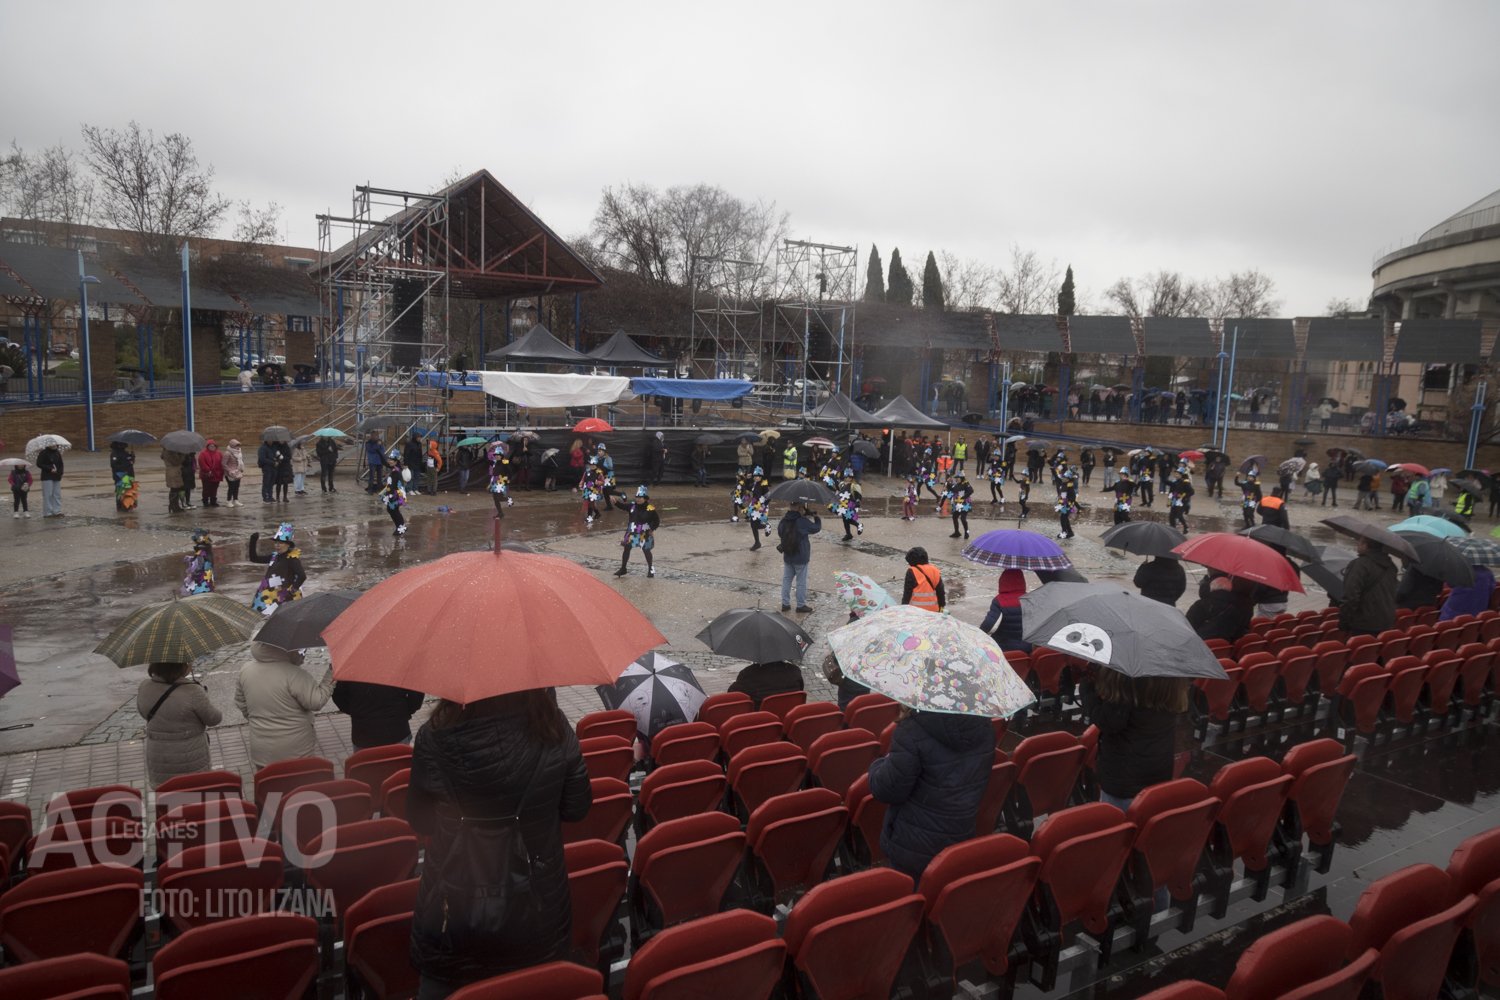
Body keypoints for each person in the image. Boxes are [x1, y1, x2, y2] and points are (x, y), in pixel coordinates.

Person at [406, 689, 591, 997]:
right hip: (537, 912)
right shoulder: (554, 728)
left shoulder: (433, 737)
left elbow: (420, 821)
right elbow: (577, 808)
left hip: (454, 918)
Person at [867, 704, 996, 883]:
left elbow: (885, 790)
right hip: (961, 836)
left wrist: (877, 766)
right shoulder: (985, 726)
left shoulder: (911, 730)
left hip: (913, 847)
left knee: (912, 896)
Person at [234, 641, 335, 770]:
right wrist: (331, 674)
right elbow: (316, 701)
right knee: (296, 781)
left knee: (268, 781)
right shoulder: (294, 674)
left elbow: (241, 702)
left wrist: (259, 720)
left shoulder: (246, 670)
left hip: (261, 748)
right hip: (296, 749)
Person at [138, 662, 222, 788]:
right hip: (190, 755)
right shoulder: (193, 691)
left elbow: (143, 713)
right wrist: (204, 696)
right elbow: (214, 719)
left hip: (158, 755)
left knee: (166, 794)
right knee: (193, 794)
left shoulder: (145, 686)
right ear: (180, 666)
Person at [332, 680, 425, 751]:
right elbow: (416, 694)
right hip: (397, 731)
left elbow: (338, 696)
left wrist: (357, 713)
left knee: (365, 768)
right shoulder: (400, 663)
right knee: (398, 765)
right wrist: (404, 713)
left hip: (363, 734)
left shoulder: (352, 666)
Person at [1339, 537, 1397, 637]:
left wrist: (1344, 621)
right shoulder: (1391, 566)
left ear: (1365, 546)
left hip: (1364, 624)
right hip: (1387, 622)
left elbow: (1351, 596)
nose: (1357, 543)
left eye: (1359, 541)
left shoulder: (1360, 565)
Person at [249, 523, 307, 614]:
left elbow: (302, 576)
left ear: (288, 545)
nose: (277, 545)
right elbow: (254, 559)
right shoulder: (274, 556)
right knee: (260, 616)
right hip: (268, 596)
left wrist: (292, 590)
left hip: (283, 597)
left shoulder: (292, 559)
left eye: (281, 543)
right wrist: (253, 542)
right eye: (276, 543)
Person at [778, 501, 821, 613]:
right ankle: (800, 605)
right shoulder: (802, 521)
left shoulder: (783, 520)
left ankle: (785, 604)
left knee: (786, 579)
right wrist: (816, 517)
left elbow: (780, 532)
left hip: (788, 554)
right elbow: (816, 528)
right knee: (801, 581)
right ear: (799, 508)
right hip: (801, 556)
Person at [1186, 576, 1255, 643]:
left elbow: (1187, 625)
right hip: (1226, 644)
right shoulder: (1237, 607)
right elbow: (1239, 632)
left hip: (1201, 642)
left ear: (1212, 588)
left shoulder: (1201, 604)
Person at [979, 569, 1031, 652]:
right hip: (1027, 648)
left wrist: (978, 634)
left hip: (1004, 648)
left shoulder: (999, 601)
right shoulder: (1030, 599)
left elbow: (990, 627)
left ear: (1002, 582)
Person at [616, 485, 660, 578]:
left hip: (645, 532)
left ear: (645, 498)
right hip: (633, 531)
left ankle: (650, 568)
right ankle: (623, 568)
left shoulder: (650, 508)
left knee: (646, 549)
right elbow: (623, 506)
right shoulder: (632, 506)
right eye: (637, 497)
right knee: (627, 547)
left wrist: (652, 529)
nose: (638, 499)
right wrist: (615, 502)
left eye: (640, 497)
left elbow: (657, 520)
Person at [728, 660, 804, 708]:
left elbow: (732, 694)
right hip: (788, 721)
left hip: (760, 722)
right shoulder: (794, 671)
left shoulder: (750, 673)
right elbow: (800, 690)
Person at [901, 547, 946, 612]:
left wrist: (903, 609)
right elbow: (940, 591)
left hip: (915, 610)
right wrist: (942, 606)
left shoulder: (911, 571)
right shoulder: (934, 570)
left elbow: (907, 593)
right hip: (933, 610)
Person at [382, 455, 410, 536]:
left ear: (396, 462)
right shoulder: (394, 468)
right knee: (391, 509)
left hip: (396, 493)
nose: (390, 461)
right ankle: (400, 526)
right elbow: (384, 463)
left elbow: (394, 484)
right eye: (390, 460)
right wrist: (379, 453)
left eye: (392, 460)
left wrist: (391, 495)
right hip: (393, 492)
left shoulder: (396, 470)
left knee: (394, 510)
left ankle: (401, 527)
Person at [182, 528, 215, 594]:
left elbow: (199, 567)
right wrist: (192, 559)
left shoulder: (201, 553)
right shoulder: (208, 552)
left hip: (201, 584)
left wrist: (191, 575)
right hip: (208, 582)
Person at [35, 443, 63, 517]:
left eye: (54, 444)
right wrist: (50, 469)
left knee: (57, 494)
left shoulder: (57, 453)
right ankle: (47, 512)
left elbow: (60, 464)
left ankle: (57, 511)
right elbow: (39, 464)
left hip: (56, 476)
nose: (53, 445)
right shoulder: (44, 452)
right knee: (48, 494)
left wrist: (60, 472)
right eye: (51, 444)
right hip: (47, 476)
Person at [746, 468, 771, 549]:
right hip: (754, 505)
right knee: (752, 524)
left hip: (761, 506)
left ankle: (766, 526)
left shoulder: (764, 485)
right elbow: (747, 487)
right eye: (755, 476)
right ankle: (757, 542)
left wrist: (762, 506)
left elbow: (769, 498)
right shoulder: (755, 484)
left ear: (761, 477)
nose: (756, 477)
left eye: (758, 476)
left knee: (755, 525)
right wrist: (747, 479)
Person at [162, 446, 189, 513]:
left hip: (176, 472)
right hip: (172, 473)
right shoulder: (168, 453)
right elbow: (176, 462)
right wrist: (182, 455)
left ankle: (176, 505)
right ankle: (172, 505)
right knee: (174, 489)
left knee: (177, 489)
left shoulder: (173, 452)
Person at [947, 471, 973, 539]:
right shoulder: (956, 484)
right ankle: (957, 532)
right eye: (956, 478)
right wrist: (949, 482)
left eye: (958, 478)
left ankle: (966, 532)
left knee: (963, 519)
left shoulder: (966, 483)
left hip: (964, 504)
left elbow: (971, 490)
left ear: (962, 478)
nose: (957, 479)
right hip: (957, 504)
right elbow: (952, 489)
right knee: (954, 517)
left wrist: (964, 497)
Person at [199, 440, 225, 507]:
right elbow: (202, 462)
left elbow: (222, 462)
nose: (212, 447)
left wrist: (221, 470)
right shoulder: (203, 453)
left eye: (213, 446)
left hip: (217, 474)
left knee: (214, 488)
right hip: (207, 474)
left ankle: (213, 501)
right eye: (210, 446)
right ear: (207, 446)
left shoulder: (218, 453)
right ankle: (205, 501)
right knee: (206, 488)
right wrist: (208, 469)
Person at [1055, 468, 1079, 540]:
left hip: (1066, 505)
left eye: (1065, 478)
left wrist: (1069, 503)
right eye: (1063, 477)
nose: (1063, 478)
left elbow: (1073, 496)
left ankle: (1064, 531)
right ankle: (1070, 532)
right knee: (1064, 518)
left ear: (1068, 479)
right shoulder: (1063, 484)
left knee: (1063, 518)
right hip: (1062, 504)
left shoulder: (1070, 486)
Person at [223, 439, 245, 507]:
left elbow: (241, 461)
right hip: (230, 473)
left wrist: (241, 468)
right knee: (231, 487)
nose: (237, 447)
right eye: (236, 446)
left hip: (237, 472)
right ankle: (228, 501)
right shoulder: (227, 453)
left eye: (238, 446)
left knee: (236, 487)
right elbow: (224, 464)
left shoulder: (239, 453)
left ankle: (235, 500)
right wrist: (230, 470)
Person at [257, 437, 278, 504]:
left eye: (271, 439)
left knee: (271, 484)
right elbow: (262, 459)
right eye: (269, 439)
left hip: (274, 468)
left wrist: (277, 461)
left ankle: (270, 496)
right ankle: (265, 497)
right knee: (266, 483)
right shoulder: (262, 448)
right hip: (267, 468)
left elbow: (277, 456)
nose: (270, 441)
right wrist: (272, 462)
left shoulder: (274, 447)